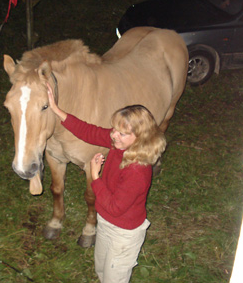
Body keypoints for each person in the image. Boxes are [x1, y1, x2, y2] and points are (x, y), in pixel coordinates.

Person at [46, 83, 167, 283]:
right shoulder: (119, 144)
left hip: (124, 233)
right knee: (102, 270)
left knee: (114, 278)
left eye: (121, 133)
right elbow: (88, 131)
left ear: (140, 138)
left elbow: (115, 206)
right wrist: (56, 109)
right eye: (114, 129)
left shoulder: (137, 170)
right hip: (106, 222)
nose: (113, 135)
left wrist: (95, 177)